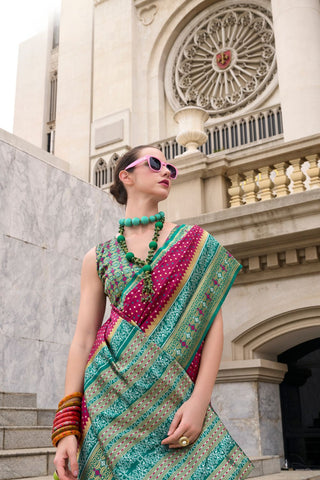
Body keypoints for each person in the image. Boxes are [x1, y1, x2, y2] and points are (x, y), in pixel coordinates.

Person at [52, 145, 254, 480]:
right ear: (126, 175)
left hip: (174, 401)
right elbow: (83, 338)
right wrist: (68, 426)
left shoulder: (194, 242)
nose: (167, 172)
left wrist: (199, 402)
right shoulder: (98, 257)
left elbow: (212, 329)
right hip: (106, 401)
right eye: (157, 164)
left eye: (171, 169)